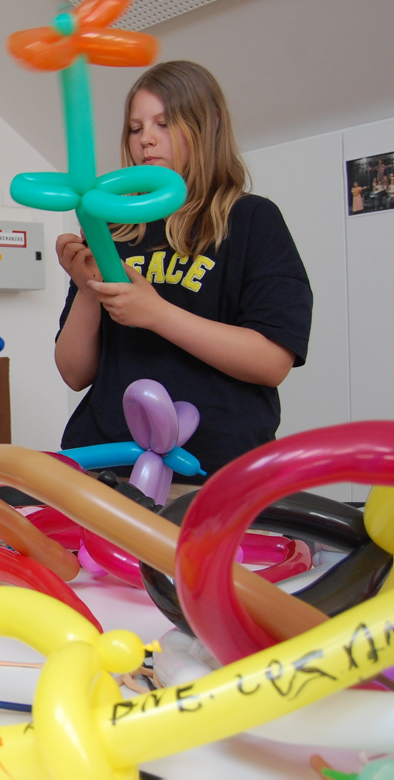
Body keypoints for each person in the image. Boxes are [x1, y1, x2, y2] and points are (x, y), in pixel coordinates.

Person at [54, 60, 312, 484]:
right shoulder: (111, 227)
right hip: (106, 465)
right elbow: (74, 373)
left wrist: (156, 313)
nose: (146, 140)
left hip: (216, 472)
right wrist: (87, 289)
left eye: (164, 123)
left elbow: (272, 361)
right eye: (136, 128)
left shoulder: (251, 219)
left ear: (206, 125)